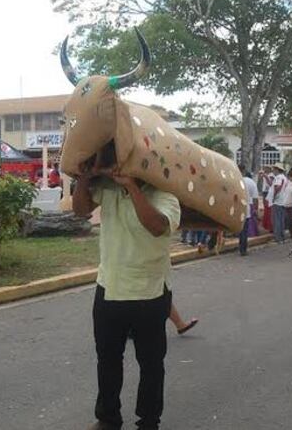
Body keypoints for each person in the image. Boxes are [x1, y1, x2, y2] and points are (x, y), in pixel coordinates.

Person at [73, 161, 180, 430]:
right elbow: (80, 210)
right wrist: (84, 179)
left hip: (150, 292)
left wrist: (132, 187)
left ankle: (148, 421)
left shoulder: (167, 196)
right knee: (107, 359)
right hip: (109, 288)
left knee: (151, 363)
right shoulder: (108, 190)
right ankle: (108, 418)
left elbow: (156, 226)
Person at [239, 165, 259, 256]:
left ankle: (240, 247)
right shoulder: (251, 182)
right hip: (246, 207)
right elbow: (255, 198)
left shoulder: (235, 180)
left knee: (239, 229)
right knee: (244, 230)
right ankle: (243, 249)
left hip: (236, 209)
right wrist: (255, 209)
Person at [269, 163, 288, 243]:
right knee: (281, 220)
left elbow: (277, 187)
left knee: (276, 220)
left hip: (277, 201)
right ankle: (282, 237)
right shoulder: (285, 178)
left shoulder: (278, 177)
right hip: (283, 201)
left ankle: (277, 238)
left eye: (274, 169)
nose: (273, 170)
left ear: (277, 169)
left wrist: (273, 197)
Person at [259, 167, 274, 233]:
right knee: (265, 207)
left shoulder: (271, 175)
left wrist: (265, 176)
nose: (265, 169)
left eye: (266, 168)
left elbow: (271, 183)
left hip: (268, 191)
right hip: (264, 191)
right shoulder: (266, 175)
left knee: (268, 207)